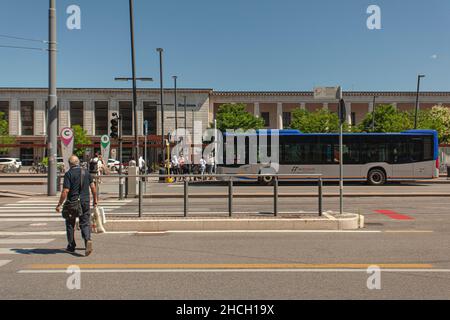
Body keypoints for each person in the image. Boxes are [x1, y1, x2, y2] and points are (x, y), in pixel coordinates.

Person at [56, 155, 98, 256]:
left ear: (69, 164)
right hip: (85, 201)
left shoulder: (68, 174)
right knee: (85, 222)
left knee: (70, 223)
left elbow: (65, 191)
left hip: (73, 202)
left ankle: (71, 245)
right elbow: (93, 187)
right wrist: (95, 200)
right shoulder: (86, 172)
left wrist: (59, 204)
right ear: (78, 162)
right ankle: (87, 240)